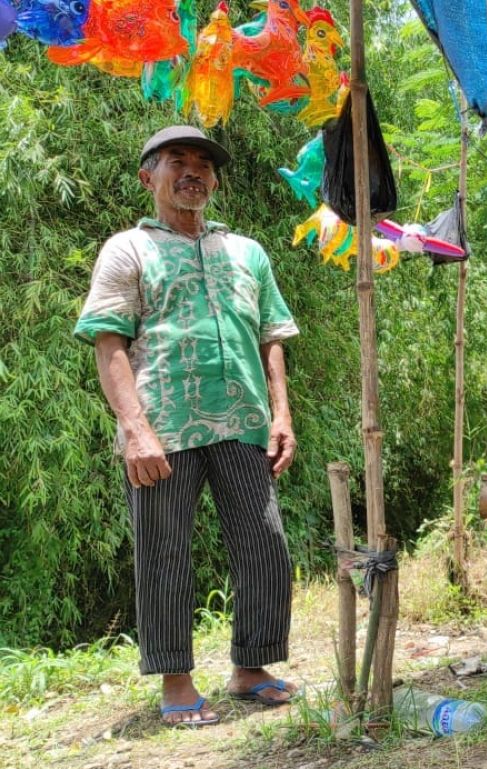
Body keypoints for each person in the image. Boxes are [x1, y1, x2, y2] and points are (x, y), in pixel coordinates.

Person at [74, 126, 301, 725]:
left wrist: (281, 413)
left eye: (203, 163)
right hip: (163, 428)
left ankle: (252, 667)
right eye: (178, 161)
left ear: (216, 181)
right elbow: (107, 340)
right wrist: (134, 429)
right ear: (150, 177)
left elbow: (272, 335)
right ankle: (176, 682)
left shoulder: (247, 251)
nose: (193, 171)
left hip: (244, 422)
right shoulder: (127, 249)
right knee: (164, 553)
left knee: (265, 546)